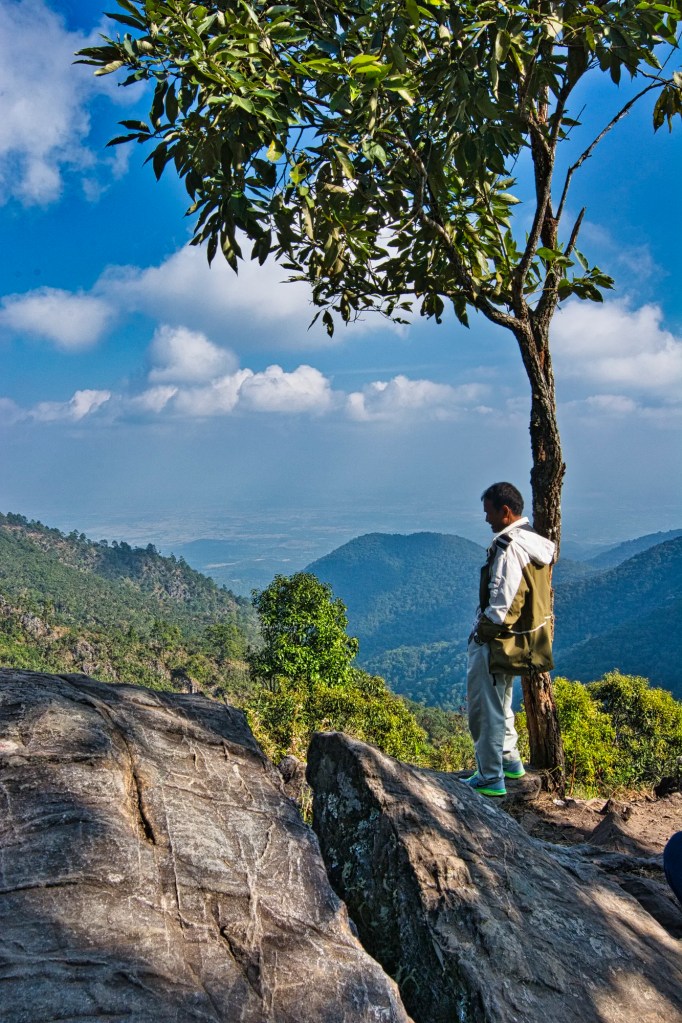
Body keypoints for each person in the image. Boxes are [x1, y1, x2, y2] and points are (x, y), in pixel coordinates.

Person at [465, 482, 555, 797]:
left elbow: (503, 605)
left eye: (489, 512)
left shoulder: (509, 546)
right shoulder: (534, 542)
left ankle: (490, 776)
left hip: (498, 640)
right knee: (502, 700)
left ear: (505, 512)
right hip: (522, 640)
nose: (487, 519)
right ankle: (510, 760)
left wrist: (480, 634)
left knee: (484, 707)